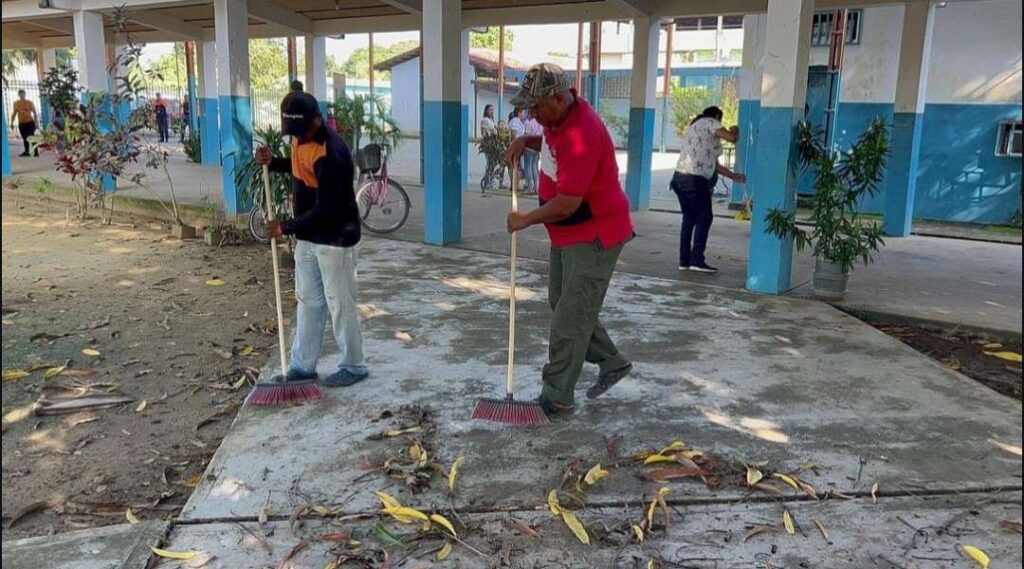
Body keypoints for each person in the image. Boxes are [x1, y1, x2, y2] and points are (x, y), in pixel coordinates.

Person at [506, 63, 634, 418]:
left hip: (594, 234)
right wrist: (525, 140)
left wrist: (525, 220)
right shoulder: (555, 121)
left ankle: (558, 394)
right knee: (562, 302)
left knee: (569, 318)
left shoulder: (583, 133)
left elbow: (567, 203)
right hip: (566, 233)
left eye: (537, 106)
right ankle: (612, 361)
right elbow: (549, 145)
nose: (532, 113)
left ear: (560, 98)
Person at [254, 91, 368, 388]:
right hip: (308, 236)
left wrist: (285, 227)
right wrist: (273, 162)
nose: (297, 139)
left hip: (334, 237)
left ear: (317, 121)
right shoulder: (298, 137)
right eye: (293, 133)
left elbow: (327, 210)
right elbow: (299, 167)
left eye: (301, 132)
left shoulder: (334, 154)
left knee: (340, 303)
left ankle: (354, 365)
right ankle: (302, 367)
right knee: (308, 302)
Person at [670, 106, 746, 274]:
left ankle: (685, 261)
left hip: (679, 178)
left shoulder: (696, 129)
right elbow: (732, 138)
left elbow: (713, 163)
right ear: (717, 117)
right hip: (694, 180)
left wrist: (733, 176)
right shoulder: (709, 122)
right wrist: (735, 129)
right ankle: (697, 260)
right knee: (705, 217)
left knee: (689, 218)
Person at [10, 90, 39, 157]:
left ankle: (36, 152)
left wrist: (36, 122)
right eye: (20, 94)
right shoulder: (16, 103)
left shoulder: (29, 102)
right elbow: (14, 113)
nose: (22, 95)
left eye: (23, 94)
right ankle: (27, 152)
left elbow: (34, 112)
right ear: (19, 95)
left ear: (25, 94)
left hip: (29, 123)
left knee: (31, 137)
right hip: (21, 123)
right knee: (24, 137)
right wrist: (12, 122)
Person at [521, 109, 543, 192]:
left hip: (529, 147)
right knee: (535, 167)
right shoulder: (541, 123)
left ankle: (530, 186)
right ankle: (537, 188)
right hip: (537, 147)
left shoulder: (530, 123)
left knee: (528, 167)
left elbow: (526, 135)